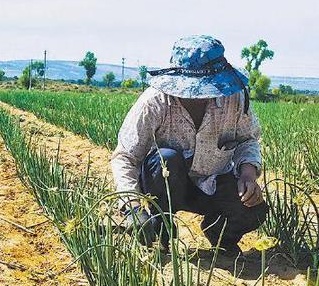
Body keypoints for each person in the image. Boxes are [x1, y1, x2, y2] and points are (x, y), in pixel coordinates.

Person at [111, 35, 264, 256]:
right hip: (166, 185)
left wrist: (248, 174)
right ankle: (160, 223)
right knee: (167, 159)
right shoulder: (154, 102)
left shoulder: (235, 98)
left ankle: (218, 234)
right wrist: (132, 208)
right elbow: (125, 157)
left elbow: (247, 140)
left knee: (254, 210)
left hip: (213, 181)